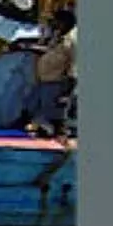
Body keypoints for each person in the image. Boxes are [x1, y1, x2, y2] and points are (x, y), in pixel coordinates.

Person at [25, 8, 76, 137]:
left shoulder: (70, 42)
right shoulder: (56, 38)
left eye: (56, 21)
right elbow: (46, 50)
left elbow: (73, 67)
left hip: (56, 83)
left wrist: (67, 91)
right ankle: (45, 129)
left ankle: (57, 135)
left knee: (53, 112)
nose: (53, 24)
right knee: (36, 107)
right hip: (43, 81)